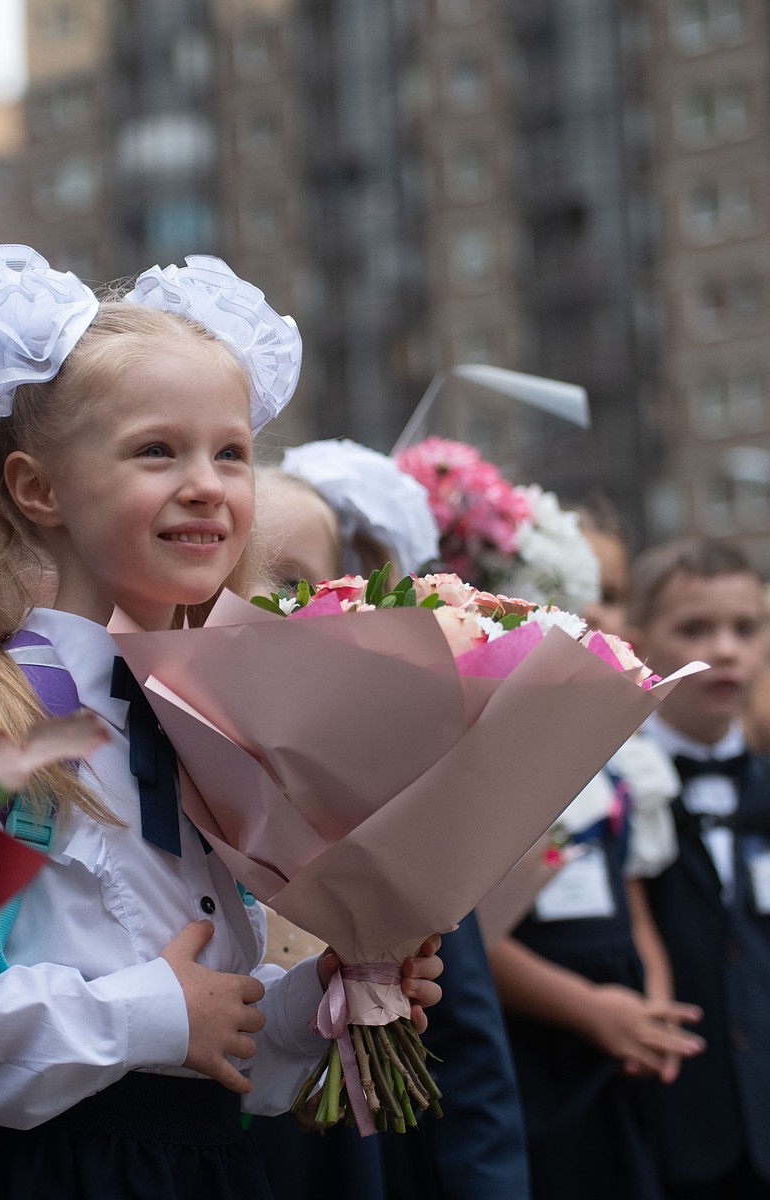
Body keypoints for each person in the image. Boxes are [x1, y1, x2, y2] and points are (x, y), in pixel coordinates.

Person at [0, 246, 443, 1200]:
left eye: (231, 452)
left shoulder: (215, 719)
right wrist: (149, 1019)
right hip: (50, 1173)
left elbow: (231, 1054)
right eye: (156, 450)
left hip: (208, 1165)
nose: (206, 484)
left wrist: (327, 999)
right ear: (37, 488)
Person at [253, 441, 529, 1200]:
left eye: (292, 584)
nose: (260, 604)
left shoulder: (395, 780)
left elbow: (467, 1048)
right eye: (240, 578)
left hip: (358, 1163)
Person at [487, 509, 703, 1200]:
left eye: (608, 592)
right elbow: (473, 938)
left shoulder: (624, 770)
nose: (592, 610)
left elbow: (637, 911)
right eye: (572, 590)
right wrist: (590, 1010)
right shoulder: (495, 766)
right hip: (544, 1043)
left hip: (622, 1046)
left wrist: (653, 1010)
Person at [629, 539, 770, 1199]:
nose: (727, 648)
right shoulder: (610, 790)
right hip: (667, 1129)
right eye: (695, 628)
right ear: (639, 641)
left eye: (746, 628)